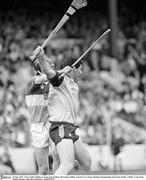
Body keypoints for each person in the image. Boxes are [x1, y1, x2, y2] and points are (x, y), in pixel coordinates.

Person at [33, 46, 91, 175]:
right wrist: (41, 57)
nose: (81, 73)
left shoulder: (73, 84)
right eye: (80, 70)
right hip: (61, 126)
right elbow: (49, 72)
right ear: (73, 69)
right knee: (67, 164)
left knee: (86, 162)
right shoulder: (60, 80)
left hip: (71, 128)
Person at [25, 58, 57, 175]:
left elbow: (55, 78)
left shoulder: (52, 83)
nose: (52, 63)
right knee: (43, 169)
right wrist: (61, 71)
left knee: (57, 156)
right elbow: (47, 77)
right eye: (48, 62)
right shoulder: (31, 81)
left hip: (51, 122)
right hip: (37, 126)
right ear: (40, 67)